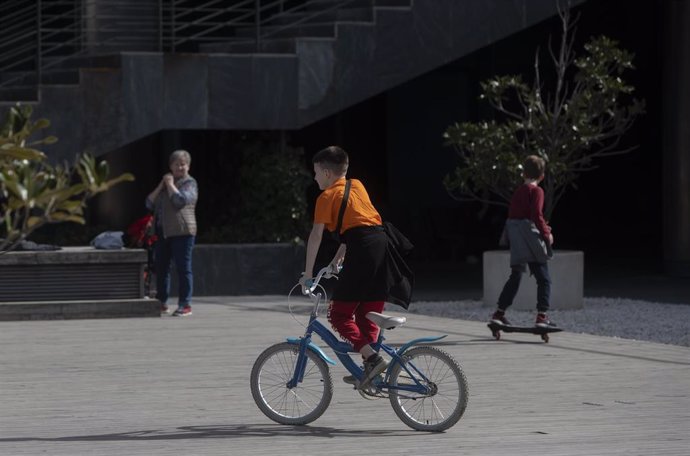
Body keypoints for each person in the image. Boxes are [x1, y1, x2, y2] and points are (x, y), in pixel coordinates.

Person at [300, 145, 390, 386]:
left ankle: (372, 359)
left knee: (339, 314)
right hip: (382, 245)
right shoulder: (357, 185)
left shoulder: (326, 197)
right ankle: (370, 369)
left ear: (327, 173)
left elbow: (316, 236)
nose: (315, 177)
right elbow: (358, 225)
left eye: (316, 172)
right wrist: (338, 256)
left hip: (361, 248)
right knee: (367, 312)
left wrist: (308, 275)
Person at [491, 155, 556, 328]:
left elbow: (513, 215)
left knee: (516, 276)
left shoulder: (519, 191)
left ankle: (499, 314)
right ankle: (542, 316)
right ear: (542, 176)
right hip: (530, 238)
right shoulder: (537, 191)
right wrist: (547, 234)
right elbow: (536, 215)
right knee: (543, 277)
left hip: (516, 237)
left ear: (523, 174)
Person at [146, 150, 198, 317]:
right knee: (162, 268)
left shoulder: (189, 183)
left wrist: (170, 185)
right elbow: (149, 203)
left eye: (183, 164)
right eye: (176, 164)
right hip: (164, 233)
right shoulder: (166, 185)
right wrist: (162, 185)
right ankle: (162, 302)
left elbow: (180, 201)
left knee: (183, 269)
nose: (179, 167)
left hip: (183, 232)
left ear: (188, 166)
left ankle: (185, 304)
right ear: (171, 166)